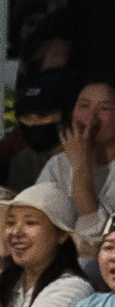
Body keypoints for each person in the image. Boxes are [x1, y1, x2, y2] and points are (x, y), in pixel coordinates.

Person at [37, 76, 114, 256]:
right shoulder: (59, 164)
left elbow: (100, 238)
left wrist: (81, 168)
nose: (90, 117)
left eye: (104, 108)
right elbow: (40, 225)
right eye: (84, 105)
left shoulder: (75, 162)